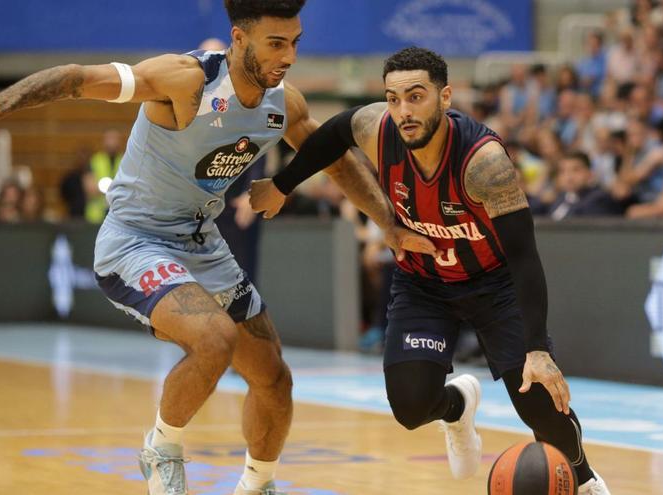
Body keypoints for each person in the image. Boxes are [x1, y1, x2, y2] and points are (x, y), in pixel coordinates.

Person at [0, 2, 435, 494]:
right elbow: (80, 77)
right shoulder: (185, 80)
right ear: (239, 38)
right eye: (276, 43)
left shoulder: (283, 103)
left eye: (295, 42)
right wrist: (3, 103)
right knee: (214, 340)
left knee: (274, 379)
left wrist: (390, 227)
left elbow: (334, 161)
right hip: (134, 240)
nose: (288, 56)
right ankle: (161, 447)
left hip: (201, 243)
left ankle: (257, 484)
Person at [250, 47, 611, 494]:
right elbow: (333, 133)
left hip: (494, 283)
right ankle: (458, 406)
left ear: (445, 97)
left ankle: (586, 479)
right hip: (424, 282)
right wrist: (283, 185)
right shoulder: (377, 128)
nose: (403, 111)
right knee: (409, 405)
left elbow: (523, 256)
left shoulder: (485, 163)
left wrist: (537, 348)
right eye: (393, 98)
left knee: (537, 402)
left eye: (416, 96)